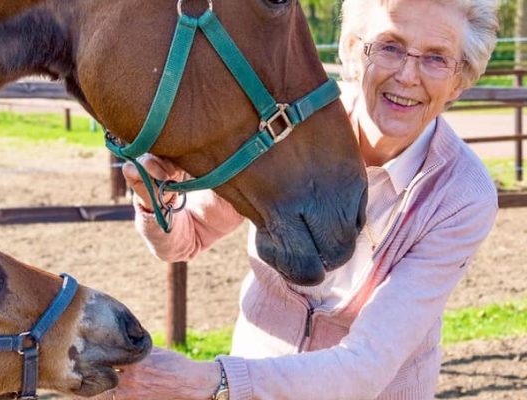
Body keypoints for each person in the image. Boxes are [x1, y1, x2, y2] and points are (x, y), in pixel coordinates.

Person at [106, 0, 500, 399]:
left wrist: (213, 381)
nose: (407, 74)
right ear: (352, 51)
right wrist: (157, 199)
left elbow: (367, 364)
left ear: (459, 82)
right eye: (390, 47)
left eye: (436, 58)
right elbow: (185, 239)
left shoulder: (462, 194)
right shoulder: (288, 127)